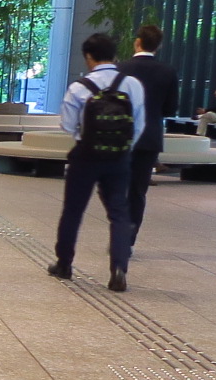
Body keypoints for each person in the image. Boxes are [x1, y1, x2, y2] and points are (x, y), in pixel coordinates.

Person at [49, 33, 148, 292]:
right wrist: (124, 148)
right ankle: (119, 268)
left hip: (86, 156)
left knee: (73, 210)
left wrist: (86, 136)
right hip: (119, 157)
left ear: (88, 57)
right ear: (114, 55)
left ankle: (64, 264)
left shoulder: (80, 87)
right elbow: (139, 124)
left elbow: (67, 125)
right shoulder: (132, 85)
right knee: (119, 212)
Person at [118, 24, 179, 237]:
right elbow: (170, 109)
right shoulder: (168, 72)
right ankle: (128, 239)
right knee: (137, 191)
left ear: (137, 42)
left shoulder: (120, 69)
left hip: (120, 136)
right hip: (149, 138)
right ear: (158, 46)